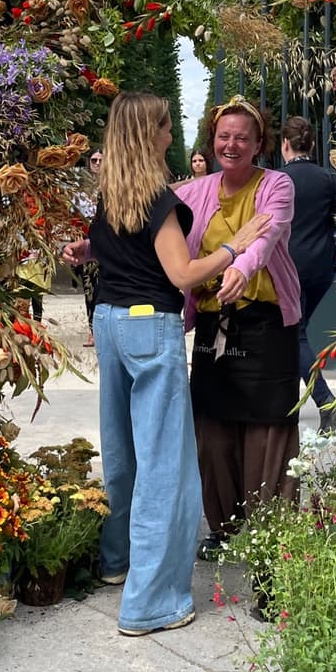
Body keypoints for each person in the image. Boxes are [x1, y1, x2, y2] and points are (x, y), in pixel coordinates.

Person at [62, 93, 269, 637]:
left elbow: (118, 250)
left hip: (108, 323)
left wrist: (87, 252)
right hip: (148, 327)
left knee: (124, 450)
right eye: (164, 127)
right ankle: (151, 603)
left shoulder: (114, 193)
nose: (171, 136)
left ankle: (118, 561)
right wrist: (236, 247)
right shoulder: (158, 201)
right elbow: (183, 274)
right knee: (166, 466)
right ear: (146, 133)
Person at [175, 98, 301, 560]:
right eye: (224, 136)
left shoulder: (278, 184)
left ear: (259, 144)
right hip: (213, 323)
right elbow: (146, 225)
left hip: (265, 325)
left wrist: (242, 268)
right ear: (212, 141)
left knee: (266, 434)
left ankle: (271, 535)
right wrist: (95, 247)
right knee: (212, 434)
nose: (232, 144)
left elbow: (265, 236)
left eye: (242, 137)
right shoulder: (194, 190)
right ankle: (224, 528)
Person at [280, 115, 336, 431]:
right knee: (296, 331)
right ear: (311, 144)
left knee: (294, 333)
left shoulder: (277, 179)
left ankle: (325, 402)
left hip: (286, 266)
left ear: (285, 145)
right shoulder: (327, 179)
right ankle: (289, 403)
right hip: (321, 267)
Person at [71, 150, 101, 346]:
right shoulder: (80, 191)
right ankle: (92, 330)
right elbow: (72, 218)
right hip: (87, 243)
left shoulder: (116, 186)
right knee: (89, 287)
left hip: (109, 245)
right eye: (94, 160)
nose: (97, 163)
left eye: (101, 160)